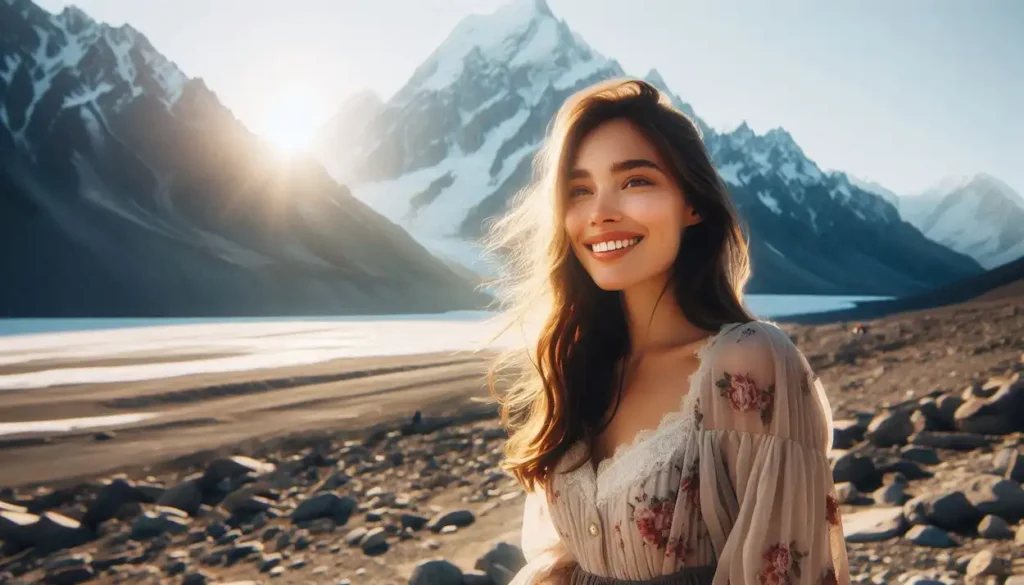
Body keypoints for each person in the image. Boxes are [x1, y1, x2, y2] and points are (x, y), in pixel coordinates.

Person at [483, 79, 851, 585]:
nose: (600, 213)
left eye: (635, 181)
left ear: (693, 204)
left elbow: (785, 571)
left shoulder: (748, 362)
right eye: (580, 190)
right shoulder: (582, 365)